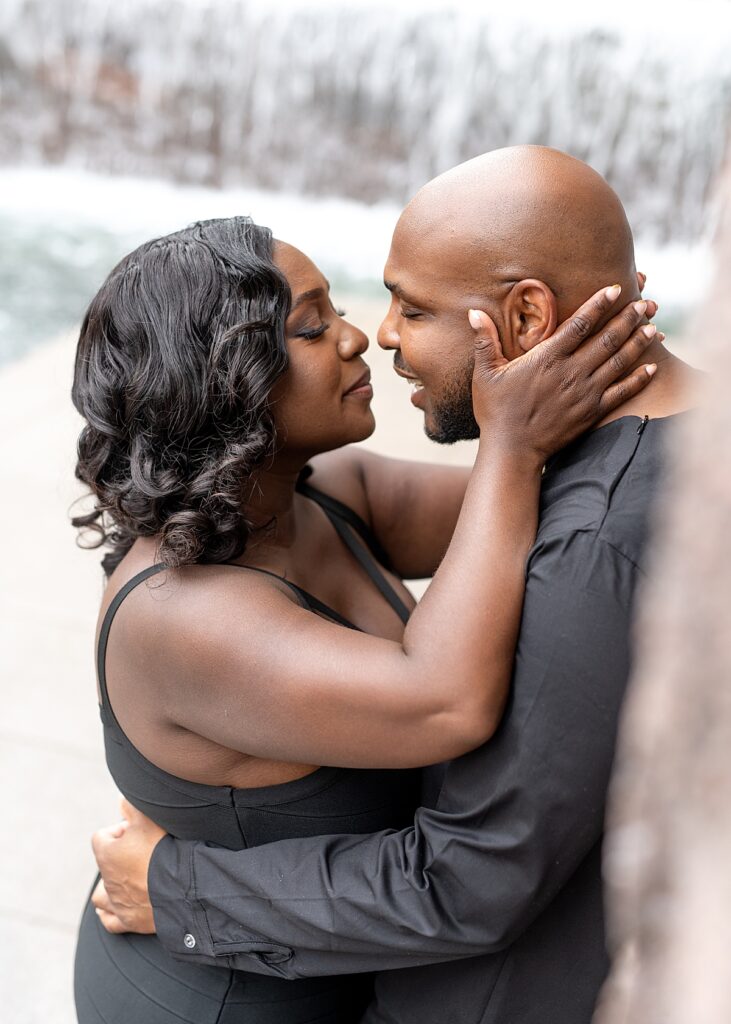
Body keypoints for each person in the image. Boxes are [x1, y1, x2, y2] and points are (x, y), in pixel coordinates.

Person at [85, 149, 672, 1024]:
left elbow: (550, 511)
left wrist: (604, 354)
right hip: (222, 996)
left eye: (350, 311)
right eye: (314, 327)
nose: (369, 336)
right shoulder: (183, 613)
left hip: (335, 960)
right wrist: (509, 441)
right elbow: (443, 703)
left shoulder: (336, 494)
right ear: (226, 379)